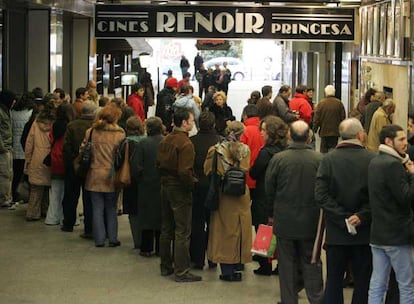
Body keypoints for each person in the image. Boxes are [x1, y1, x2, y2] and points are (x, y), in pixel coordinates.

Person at [315, 118, 376, 304]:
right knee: (362, 280)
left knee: (333, 280)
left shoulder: (328, 159)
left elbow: (320, 195)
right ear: (360, 135)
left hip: (336, 232)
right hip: (364, 233)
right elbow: (378, 195)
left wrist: (342, 217)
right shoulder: (373, 160)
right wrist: (361, 216)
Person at [265, 120, 323, 304]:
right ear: (309, 137)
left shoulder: (279, 159)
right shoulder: (319, 160)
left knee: (287, 264)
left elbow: (269, 188)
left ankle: (289, 300)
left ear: (289, 135)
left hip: (285, 220)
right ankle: (316, 298)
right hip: (311, 221)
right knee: (312, 261)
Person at [367, 124, 414, 303]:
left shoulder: (375, 161)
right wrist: (412, 175)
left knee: (377, 282)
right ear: (388, 141)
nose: (406, 143)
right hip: (397, 235)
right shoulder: (393, 165)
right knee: (406, 284)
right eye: (401, 139)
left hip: (378, 234)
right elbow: (406, 197)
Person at [156, 108, 201, 282]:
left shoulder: (165, 139)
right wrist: (192, 183)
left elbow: (157, 164)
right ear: (184, 123)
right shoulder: (186, 144)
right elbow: (184, 172)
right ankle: (181, 271)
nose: (193, 123)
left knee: (167, 228)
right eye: (191, 120)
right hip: (180, 189)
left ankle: (165, 266)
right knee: (182, 231)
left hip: (165, 186)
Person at [204, 121, 252, 282]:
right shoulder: (245, 150)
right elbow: (246, 169)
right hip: (241, 194)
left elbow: (208, 170)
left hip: (224, 194)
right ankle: (239, 263)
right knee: (241, 228)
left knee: (224, 230)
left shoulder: (216, 150)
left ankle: (226, 269)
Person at [250, 116, 288, 275]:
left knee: (263, 229)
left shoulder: (266, 153)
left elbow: (254, 172)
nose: (261, 133)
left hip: (263, 196)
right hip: (282, 196)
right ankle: (281, 264)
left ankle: (264, 264)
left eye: (264, 130)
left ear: (271, 132)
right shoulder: (286, 150)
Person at [83, 103, 125, 247]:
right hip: (111, 176)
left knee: (97, 208)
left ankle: (99, 239)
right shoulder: (120, 134)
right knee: (111, 208)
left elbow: (83, 149)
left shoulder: (91, 132)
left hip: (94, 174)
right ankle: (113, 238)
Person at [190, 111, 220, 269]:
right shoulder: (219, 142)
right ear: (214, 125)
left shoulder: (191, 142)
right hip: (214, 188)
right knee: (213, 223)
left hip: (196, 187)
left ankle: (197, 259)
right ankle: (213, 258)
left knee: (197, 223)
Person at [61, 100, 97, 236]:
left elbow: (66, 147)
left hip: (74, 166)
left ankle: (68, 224)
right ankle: (89, 228)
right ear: (94, 112)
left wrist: (72, 163)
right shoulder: (95, 127)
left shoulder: (72, 125)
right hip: (91, 167)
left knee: (70, 196)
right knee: (89, 199)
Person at [114, 116, 145, 250]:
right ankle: (146, 238)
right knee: (144, 209)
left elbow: (118, 162)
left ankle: (137, 240)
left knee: (133, 212)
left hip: (130, 181)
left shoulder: (125, 142)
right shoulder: (145, 141)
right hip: (144, 180)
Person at [136, 117, 165, 256]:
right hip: (163, 183)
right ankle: (161, 248)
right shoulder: (166, 141)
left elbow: (136, 166)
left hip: (146, 184)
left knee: (147, 217)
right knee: (162, 216)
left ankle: (146, 248)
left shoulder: (143, 143)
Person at [44, 103, 76, 225]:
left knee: (55, 191)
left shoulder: (53, 126)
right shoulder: (71, 126)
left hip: (55, 158)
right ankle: (68, 218)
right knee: (69, 193)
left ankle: (52, 218)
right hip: (66, 159)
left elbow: (51, 140)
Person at [24, 103, 55, 221]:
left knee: (36, 188)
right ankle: (45, 209)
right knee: (47, 187)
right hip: (49, 158)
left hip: (36, 157)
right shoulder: (54, 125)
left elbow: (29, 143)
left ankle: (32, 213)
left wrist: (28, 159)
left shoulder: (36, 124)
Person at [10, 93, 34, 206]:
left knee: (15, 174)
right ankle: (26, 195)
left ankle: (13, 194)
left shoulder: (12, 113)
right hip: (25, 148)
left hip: (13, 148)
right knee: (26, 174)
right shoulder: (30, 114)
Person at [313, 85, 346, 153]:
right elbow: (343, 117)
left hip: (324, 131)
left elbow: (317, 118)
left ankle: (324, 162)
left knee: (323, 151)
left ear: (325, 93)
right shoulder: (339, 103)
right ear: (334, 92)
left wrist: (315, 129)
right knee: (333, 149)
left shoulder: (321, 103)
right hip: (335, 131)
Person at [0, 90, 17, 208]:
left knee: (9, 174)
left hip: (8, 147)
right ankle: (4, 199)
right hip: (3, 149)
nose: (14, 102)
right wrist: (2, 148)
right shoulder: (1, 112)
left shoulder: (7, 111)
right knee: (5, 175)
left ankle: (8, 197)